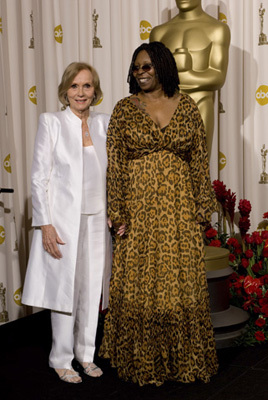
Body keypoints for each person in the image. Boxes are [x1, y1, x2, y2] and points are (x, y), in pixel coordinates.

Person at [99, 41, 218, 386]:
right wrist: (118, 212)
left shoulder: (188, 107)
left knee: (179, 283)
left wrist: (201, 206)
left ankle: (184, 359)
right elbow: (116, 165)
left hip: (179, 209)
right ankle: (142, 359)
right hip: (139, 210)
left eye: (147, 66)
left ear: (163, 66)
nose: (141, 72)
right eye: (136, 67)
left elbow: (198, 159)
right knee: (140, 283)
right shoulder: (124, 109)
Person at [22, 62, 112, 383]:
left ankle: (86, 355)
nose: (80, 93)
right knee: (65, 292)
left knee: (91, 290)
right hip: (62, 224)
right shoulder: (52, 122)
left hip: (98, 222)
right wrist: (44, 223)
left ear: (94, 91)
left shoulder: (104, 123)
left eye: (87, 86)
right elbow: (38, 178)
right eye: (74, 86)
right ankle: (60, 359)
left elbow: (112, 174)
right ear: (65, 91)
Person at [150, 0, 230, 157]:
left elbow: (217, 77)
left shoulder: (217, 29)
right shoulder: (159, 33)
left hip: (200, 106)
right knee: (163, 170)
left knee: (197, 169)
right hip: (164, 109)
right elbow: (152, 79)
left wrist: (179, 73)